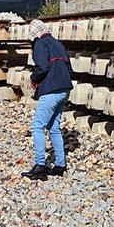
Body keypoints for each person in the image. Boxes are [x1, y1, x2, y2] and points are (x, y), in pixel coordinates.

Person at [21, 19, 74, 181]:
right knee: (54, 127)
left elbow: (42, 67)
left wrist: (33, 78)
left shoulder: (40, 44)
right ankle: (60, 165)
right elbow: (69, 69)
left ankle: (40, 167)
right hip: (64, 90)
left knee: (38, 126)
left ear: (34, 33)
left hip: (50, 91)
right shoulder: (58, 44)